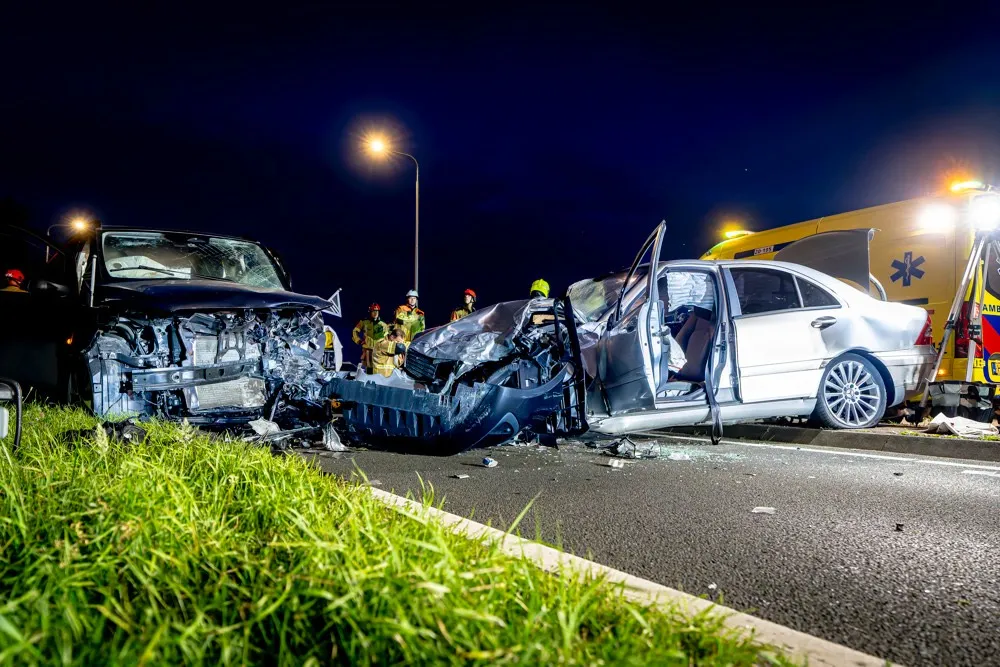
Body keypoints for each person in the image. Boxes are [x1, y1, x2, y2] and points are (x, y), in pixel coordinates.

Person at [351, 304, 388, 373]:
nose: (375, 313)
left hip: (379, 351)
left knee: (379, 370)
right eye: (373, 311)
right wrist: (358, 340)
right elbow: (355, 331)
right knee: (368, 370)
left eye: (377, 311)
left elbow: (386, 338)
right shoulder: (364, 322)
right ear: (370, 312)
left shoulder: (383, 324)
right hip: (368, 350)